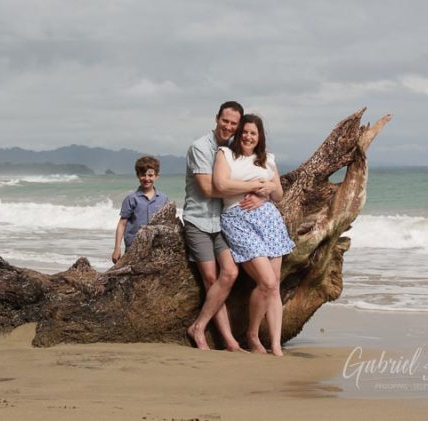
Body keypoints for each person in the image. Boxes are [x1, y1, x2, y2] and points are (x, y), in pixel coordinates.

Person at [184, 102, 271, 351]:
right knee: (211, 277)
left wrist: (263, 194)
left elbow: (258, 177)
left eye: (234, 124)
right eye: (226, 121)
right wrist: (253, 185)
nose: (229, 127)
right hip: (198, 220)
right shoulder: (201, 147)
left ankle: (206, 329)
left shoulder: (232, 150)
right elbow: (211, 188)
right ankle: (220, 337)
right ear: (217, 119)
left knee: (230, 273)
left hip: (221, 221)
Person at [213, 114, 295, 356]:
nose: (249, 137)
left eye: (253, 133)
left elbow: (278, 194)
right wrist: (254, 187)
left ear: (260, 137)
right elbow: (221, 185)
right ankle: (252, 333)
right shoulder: (225, 154)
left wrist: (269, 188)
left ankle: (276, 345)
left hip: (269, 220)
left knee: (274, 285)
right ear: (239, 134)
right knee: (267, 281)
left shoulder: (268, 160)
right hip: (238, 219)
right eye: (245, 132)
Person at [112, 156, 169, 264]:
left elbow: (167, 224)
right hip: (133, 248)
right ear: (138, 175)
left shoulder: (163, 199)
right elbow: (122, 224)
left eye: (150, 175)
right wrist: (117, 248)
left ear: (156, 176)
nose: (147, 178)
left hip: (156, 248)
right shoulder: (131, 199)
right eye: (143, 175)